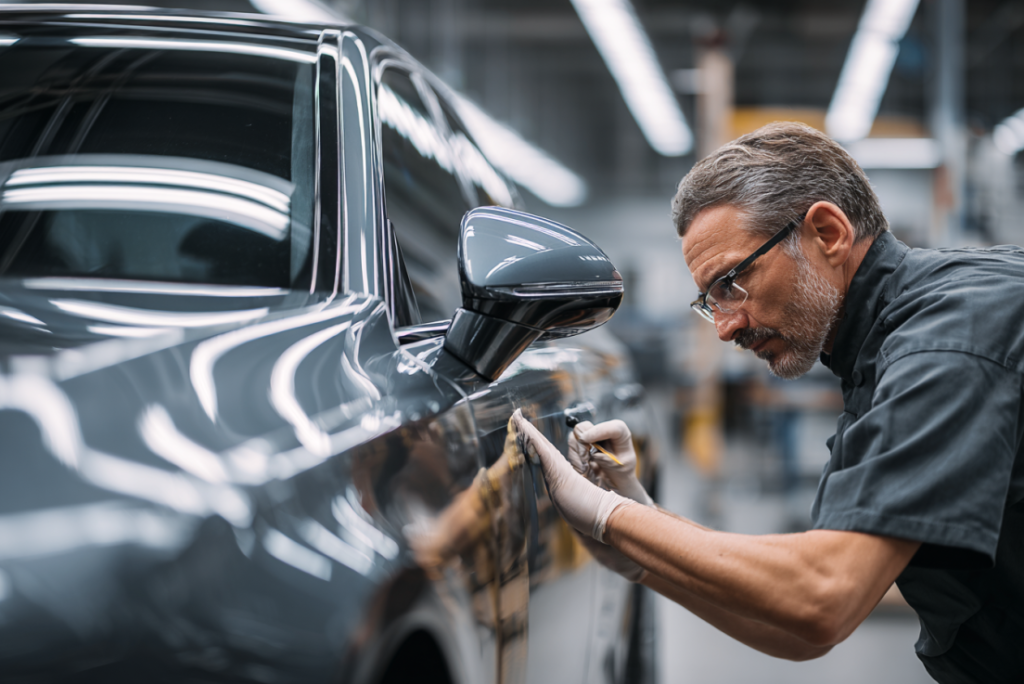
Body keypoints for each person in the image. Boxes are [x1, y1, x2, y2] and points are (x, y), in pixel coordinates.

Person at [512, 121, 1024, 684]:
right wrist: (642, 545)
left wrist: (616, 518)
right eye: (709, 301)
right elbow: (800, 632)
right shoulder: (875, 354)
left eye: (732, 282)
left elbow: (820, 597)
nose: (725, 328)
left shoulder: (948, 339)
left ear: (827, 232)